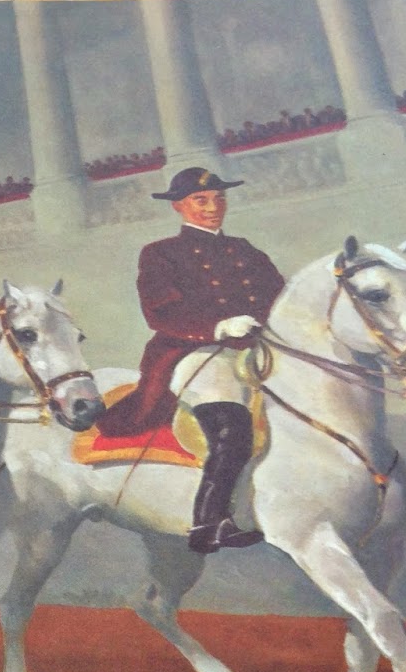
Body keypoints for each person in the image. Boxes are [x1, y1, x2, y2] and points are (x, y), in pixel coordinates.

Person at [100, 166, 285, 553]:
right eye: (201, 200)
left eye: (219, 198)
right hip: (197, 351)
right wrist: (217, 327)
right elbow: (160, 314)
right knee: (232, 429)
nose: (213, 207)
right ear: (179, 207)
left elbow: (279, 298)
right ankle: (209, 522)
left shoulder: (246, 250)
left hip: (258, 349)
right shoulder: (161, 254)